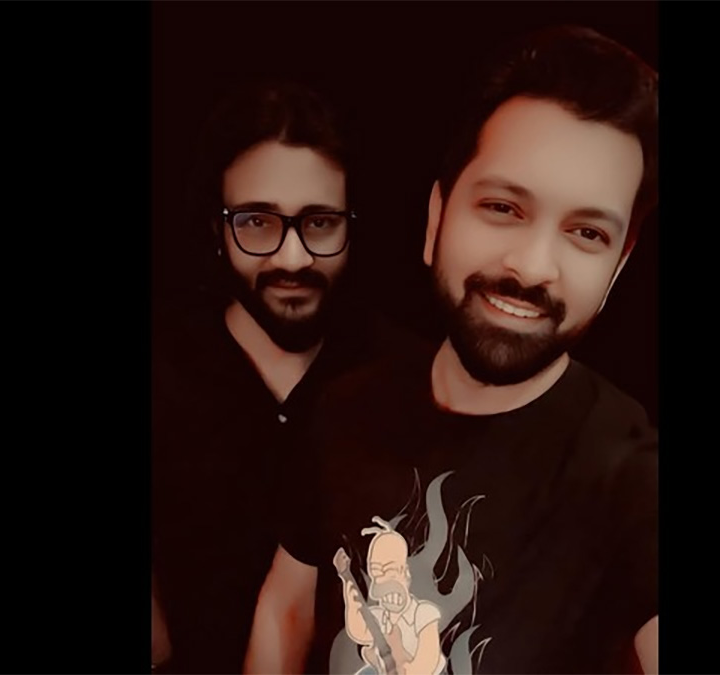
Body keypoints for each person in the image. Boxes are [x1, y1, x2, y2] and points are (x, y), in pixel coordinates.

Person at [246, 25, 659, 674]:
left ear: (619, 265)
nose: (533, 266)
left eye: (586, 232)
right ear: (437, 217)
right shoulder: (341, 409)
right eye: (502, 207)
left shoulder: (632, 476)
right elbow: (286, 608)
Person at [152, 80, 382, 673]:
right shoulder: (163, 373)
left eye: (320, 222)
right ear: (217, 230)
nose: (292, 258)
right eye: (257, 221)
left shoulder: (402, 378)